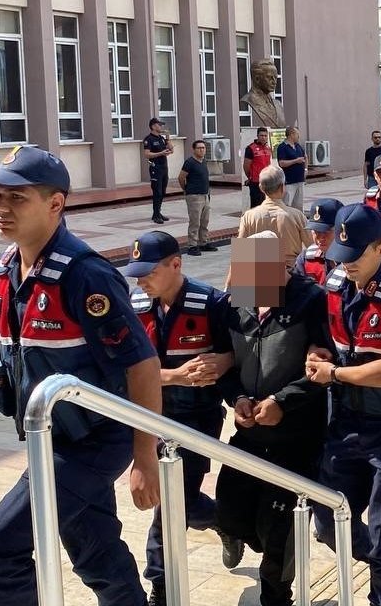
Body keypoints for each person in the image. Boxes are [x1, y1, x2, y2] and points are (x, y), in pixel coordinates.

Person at [0, 146, 162, 605]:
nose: (1, 208)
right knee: (94, 550)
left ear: (56, 204)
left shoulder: (85, 275)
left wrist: (144, 455)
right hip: (53, 435)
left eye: (18, 198)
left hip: (93, 440)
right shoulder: (9, 266)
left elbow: (142, 364)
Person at [305, 204, 381, 606]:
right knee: (325, 522)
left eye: (356, 256)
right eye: (341, 257)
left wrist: (335, 375)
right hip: (345, 425)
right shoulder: (336, 283)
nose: (347, 265)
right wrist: (318, 354)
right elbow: (328, 339)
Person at [216, 230, 330, 606]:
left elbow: (324, 367)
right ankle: (234, 534)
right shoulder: (238, 301)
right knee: (230, 508)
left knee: (280, 533)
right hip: (249, 434)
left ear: (282, 266)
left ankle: (276, 596)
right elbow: (226, 363)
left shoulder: (310, 300)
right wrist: (238, 398)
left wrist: (283, 400)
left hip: (296, 436)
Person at [123, 231, 235, 606]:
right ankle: (223, 519)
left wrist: (225, 360)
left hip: (196, 421)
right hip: (151, 419)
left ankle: (160, 586)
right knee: (178, 503)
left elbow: (241, 350)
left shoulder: (211, 303)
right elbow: (123, 371)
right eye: (137, 274)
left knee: (170, 505)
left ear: (176, 264)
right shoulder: (134, 306)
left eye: (149, 272)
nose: (141, 281)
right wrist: (174, 375)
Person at [234, 165, 309, 272]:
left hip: (258, 274)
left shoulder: (248, 216)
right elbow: (312, 247)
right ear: (283, 187)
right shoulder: (297, 216)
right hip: (290, 274)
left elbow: (240, 255)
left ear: (261, 188)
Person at [178, 140, 215, 256]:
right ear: (194, 149)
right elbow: (181, 177)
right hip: (194, 196)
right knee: (195, 222)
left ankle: (203, 242)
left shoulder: (203, 161)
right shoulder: (189, 162)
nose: (202, 150)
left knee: (205, 221)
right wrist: (186, 190)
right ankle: (192, 246)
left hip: (205, 195)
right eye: (199, 148)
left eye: (203, 148)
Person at [294, 198, 343, 284]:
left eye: (326, 231)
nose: (320, 237)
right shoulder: (306, 259)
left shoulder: (353, 263)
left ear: (341, 230)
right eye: (316, 231)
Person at [143, 118, 174, 223]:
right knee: (157, 191)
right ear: (153, 126)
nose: (161, 127)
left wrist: (168, 137)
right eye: (159, 125)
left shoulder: (161, 138)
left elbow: (171, 149)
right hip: (155, 168)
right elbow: (147, 154)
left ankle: (158, 212)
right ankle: (156, 215)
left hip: (164, 167)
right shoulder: (149, 139)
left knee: (163, 191)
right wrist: (160, 153)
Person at [246, 59, 286, 128]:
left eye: (275, 78)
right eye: (269, 77)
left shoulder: (277, 104)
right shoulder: (248, 100)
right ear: (257, 79)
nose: (274, 82)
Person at [276, 126, 307, 210]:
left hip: (300, 180)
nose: (298, 136)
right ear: (291, 134)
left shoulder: (298, 146)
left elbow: (305, 157)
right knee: (287, 205)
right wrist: (295, 161)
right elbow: (281, 163)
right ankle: (286, 222)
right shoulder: (282, 147)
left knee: (299, 205)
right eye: (297, 134)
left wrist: (305, 169)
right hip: (289, 182)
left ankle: (297, 222)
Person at [242, 126, 272, 211]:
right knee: (256, 207)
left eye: (265, 136)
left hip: (266, 182)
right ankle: (254, 223)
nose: (264, 137)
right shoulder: (251, 148)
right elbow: (246, 166)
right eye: (261, 135)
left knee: (266, 206)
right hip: (255, 182)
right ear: (257, 136)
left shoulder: (268, 148)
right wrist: (250, 177)